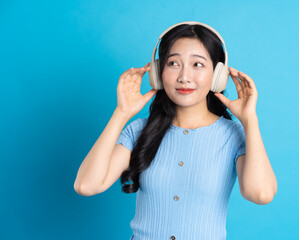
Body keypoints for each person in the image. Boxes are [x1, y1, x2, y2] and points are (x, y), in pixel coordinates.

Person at [74, 21, 277, 240]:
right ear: (158, 72)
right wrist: (121, 113)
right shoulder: (139, 131)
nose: (184, 77)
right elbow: (86, 185)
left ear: (217, 74)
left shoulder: (233, 135)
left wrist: (249, 120)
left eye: (197, 65)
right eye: (173, 63)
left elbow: (261, 193)